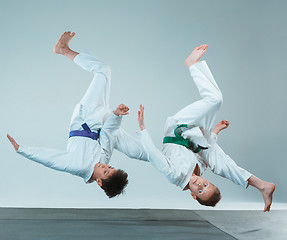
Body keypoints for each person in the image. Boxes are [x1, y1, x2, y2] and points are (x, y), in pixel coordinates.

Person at [7, 31, 147, 198]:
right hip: (101, 124)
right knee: (134, 150)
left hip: (86, 118)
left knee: (103, 70)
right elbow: (108, 135)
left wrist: (22, 150)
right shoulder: (104, 161)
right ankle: (162, 156)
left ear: (99, 182)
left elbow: (51, 159)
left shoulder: (78, 166)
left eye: (105, 172)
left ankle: (62, 50)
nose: (106, 166)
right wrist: (116, 115)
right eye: (110, 168)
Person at [136, 45, 275, 211]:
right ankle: (262, 185)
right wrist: (216, 130)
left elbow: (154, 156)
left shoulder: (176, 176)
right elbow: (206, 148)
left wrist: (143, 129)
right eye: (207, 184)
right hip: (194, 135)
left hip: (178, 129)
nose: (200, 184)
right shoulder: (200, 169)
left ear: (193, 195)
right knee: (219, 164)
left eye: (200, 190)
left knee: (215, 100)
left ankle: (192, 64)